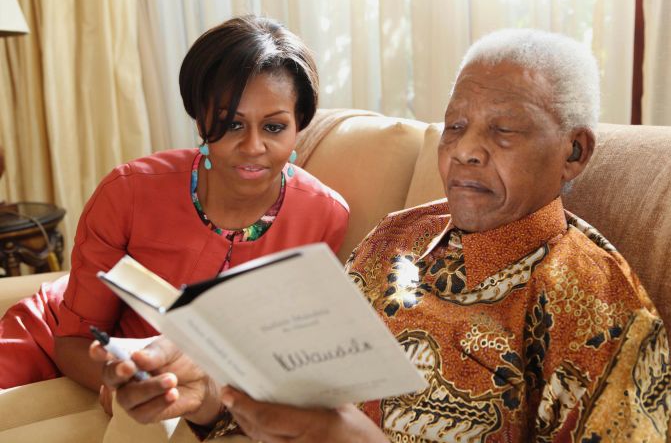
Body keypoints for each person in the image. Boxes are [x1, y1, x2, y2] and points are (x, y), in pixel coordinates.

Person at [92, 28, 671, 441]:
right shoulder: (396, 238)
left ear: (574, 151)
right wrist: (206, 396)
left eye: (505, 130)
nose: (466, 151)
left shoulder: (600, 310)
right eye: (456, 127)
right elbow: (295, 388)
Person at [0, 15, 349, 395]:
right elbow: (73, 341)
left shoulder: (325, 216)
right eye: (232, 124)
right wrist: (122, 384)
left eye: (274, 127)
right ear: (201, 122)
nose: (253, 147)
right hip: (54, 345)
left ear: (299, 124)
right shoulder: (127, 192)